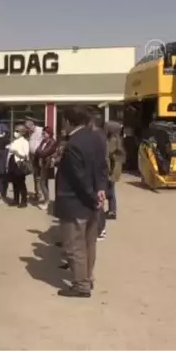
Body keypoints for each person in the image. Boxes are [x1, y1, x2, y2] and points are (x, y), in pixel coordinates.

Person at [54, 105, 108, 298]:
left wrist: (92, 195)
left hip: (75, 201)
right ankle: (88, 277)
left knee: (75, 245)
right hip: (93, 201)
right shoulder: (96, 138)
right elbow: (102, 167)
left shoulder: (73, 144)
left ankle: (81, 284)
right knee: (89, 243)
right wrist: (101, 191)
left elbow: (79, 178)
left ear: (68, 122)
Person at [7, 124, 31, 208]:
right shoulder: (15, 141)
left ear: (22, 132)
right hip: (13, 162)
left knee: (21, 183)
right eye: (15, 130)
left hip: (19, 164)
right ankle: (16, 199)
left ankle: (24, 201)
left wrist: (16, 152)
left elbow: (25, 155)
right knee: (14, 183)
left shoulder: (25, 142)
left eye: (17, 131)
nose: (15, 132)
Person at [35, 126, 58, 210]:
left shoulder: (52, 142)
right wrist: (39, 152)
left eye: (44, 133)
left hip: (47, 164)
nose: (43, 135)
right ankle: (46, 199)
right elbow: (38, 151)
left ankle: (47, 201)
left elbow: (44, 152)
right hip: (42, 164)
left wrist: (40, 152)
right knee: (42, 182)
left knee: (42, 182)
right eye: (42, 133)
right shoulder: (43, 141)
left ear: (49, 133)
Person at [25, 119, 43, 201]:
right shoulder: (30, 132)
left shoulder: (41, 130)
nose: (28, 130)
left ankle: (40, 193)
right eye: (27, 128)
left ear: (33, 125)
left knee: (39, 175)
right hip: (32, 155)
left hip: (39, 155)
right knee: (35, 174)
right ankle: (37, 193)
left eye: (29, 128)